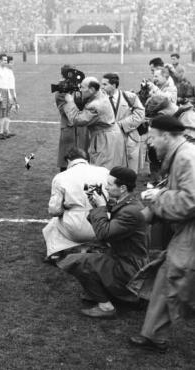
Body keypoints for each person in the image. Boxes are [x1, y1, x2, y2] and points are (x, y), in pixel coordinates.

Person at [129, 115, 195, 353]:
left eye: (154, 137)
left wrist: (159, 198)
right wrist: (163, 193)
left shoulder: (186, 158)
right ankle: (154, 336)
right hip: (188, 230)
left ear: (166, 136)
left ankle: (154, 336)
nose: (150, 143)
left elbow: (190, 200)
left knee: (177, 278)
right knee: (168, 275)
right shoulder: (181, 154)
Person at [57, 166, 148, 318]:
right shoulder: (128, 203)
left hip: (128, 269)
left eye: (110, 184)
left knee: (78, 261)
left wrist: (100, 207)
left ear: (123, 188)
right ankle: (120, 295)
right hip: (125, 261)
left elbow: (104, 234)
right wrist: (97, 207)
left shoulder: (131, 211)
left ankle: (107, 306)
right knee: (87, 254)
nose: (106, 187)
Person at [42, 147, 108, 261]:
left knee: (52, 224)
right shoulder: (105, 172)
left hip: (76, 227)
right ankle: (97, 247)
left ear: (68, 160)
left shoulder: (61, 177)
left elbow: (54, 210)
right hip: (102, 225)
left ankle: (55, 254)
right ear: (85, 159)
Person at [63, 77, 126, 170]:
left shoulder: (95, 106)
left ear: (92, 89)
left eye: (83, 88)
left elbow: (77, 120)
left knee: (102, 169)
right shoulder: (101, 94)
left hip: (105, 139)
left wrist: (70, 102)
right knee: (112, 168)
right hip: (112, 135)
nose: (80, 90)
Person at [101, 73, 145, 173]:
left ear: (113, 85)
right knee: (110, 167)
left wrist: (121, 124)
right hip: (108, 139)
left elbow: (140, 113)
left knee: (130, 167)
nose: (102, 87)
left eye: (104, 84)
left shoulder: (130, 97)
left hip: (128, 137)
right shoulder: (100, 99)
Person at [55, 65, 88, 171]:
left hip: (81, 128)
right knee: (67, 160)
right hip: (70, 128)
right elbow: (70, 112)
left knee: (82, 159)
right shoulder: (61, 91)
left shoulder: (77, 87)